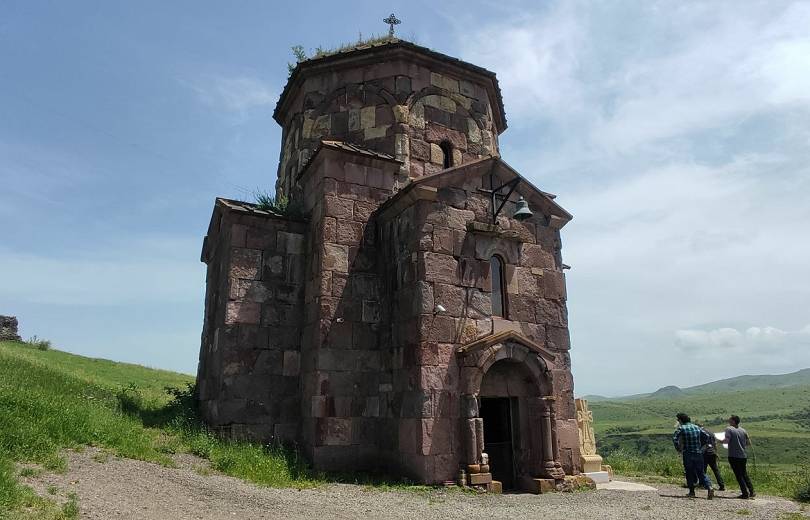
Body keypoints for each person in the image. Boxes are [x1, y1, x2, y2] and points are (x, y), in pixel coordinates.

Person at [673, 413, 714, 499]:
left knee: (689, 472)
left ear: (680, 420)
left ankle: (692, 492)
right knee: (701, 472)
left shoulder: (681, 428)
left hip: (688, 453)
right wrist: (701, 446)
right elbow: (707, 436)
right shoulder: (697, 427)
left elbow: (675, 438)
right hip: (698, 453)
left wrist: (678, 448)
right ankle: (709, 487)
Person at [724, 415, 755, 499]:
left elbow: (726, 441)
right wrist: (741, 445)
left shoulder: (729, 429)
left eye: (730, 420)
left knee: (738, 475)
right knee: (744, 473)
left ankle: (745, 493)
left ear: (733, 421)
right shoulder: (743, 430)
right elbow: (749, 443)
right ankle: (751, 491)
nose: (728, 421)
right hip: (743, 455)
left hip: (734, 455)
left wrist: (718, 441)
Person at [698, 423, 725, 491]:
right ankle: (721, 485)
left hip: (704, 453)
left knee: (703, 469)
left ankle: (702, 484)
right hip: (712, 452)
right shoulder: (711, 433)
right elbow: (714, 443)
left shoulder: (700, 433)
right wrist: (716, 452)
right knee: (715, 469)